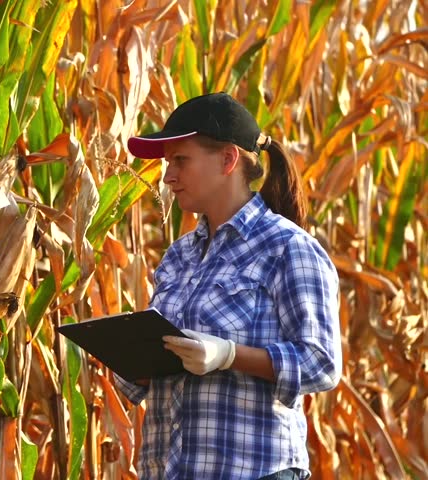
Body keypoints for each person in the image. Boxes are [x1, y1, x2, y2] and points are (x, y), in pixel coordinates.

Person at [114, 92, 342, 479]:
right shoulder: (179, 256)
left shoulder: (288, 249)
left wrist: (228, 354)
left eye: (179, 161)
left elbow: (321, 363)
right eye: (168, 163)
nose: (168, 176)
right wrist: (132, 358)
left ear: (228, 160)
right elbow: (154, 378)